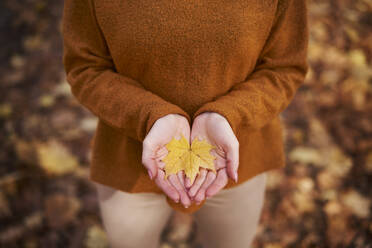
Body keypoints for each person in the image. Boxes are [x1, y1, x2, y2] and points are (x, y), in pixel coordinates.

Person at [61, 0, 308, 247]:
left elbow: (284, 68)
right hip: (129, 161)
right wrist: (149, 115)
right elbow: (85, 68)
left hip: (234, 159)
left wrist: (230, 114)